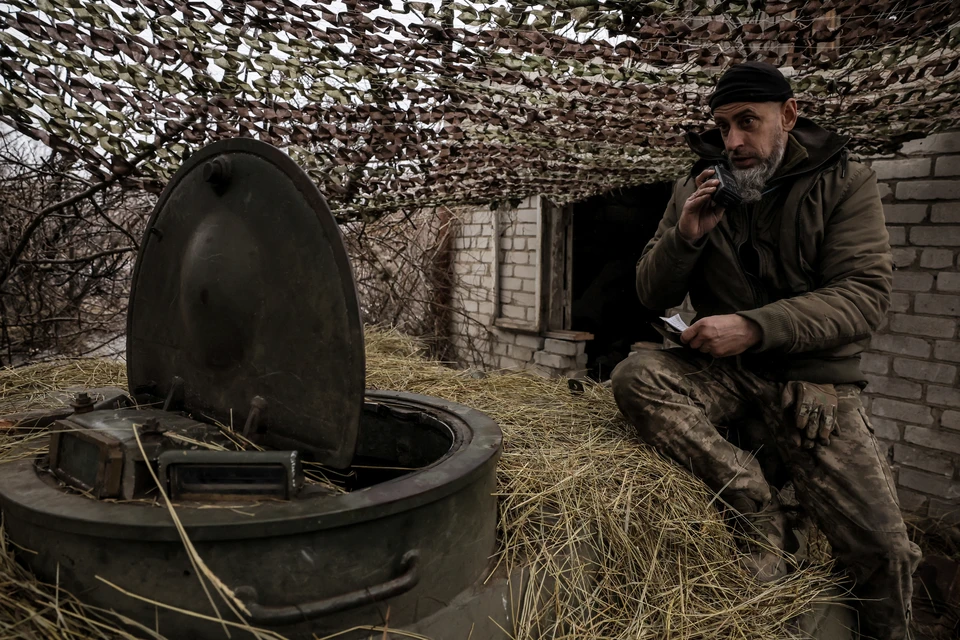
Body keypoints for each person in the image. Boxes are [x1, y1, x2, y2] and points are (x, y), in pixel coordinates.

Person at [610, 61, 922, 640]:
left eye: (748, 123)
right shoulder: (697, 182)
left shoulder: (844, 179)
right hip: (728, 372)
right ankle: (754, 499)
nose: (733, 142)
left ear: (789, 115)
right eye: (724, 126)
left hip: (815, 380)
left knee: (885, 549)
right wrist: (685, 237)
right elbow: (650, 293)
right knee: (636, 376)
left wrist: (754, 326)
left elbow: (863, 297)